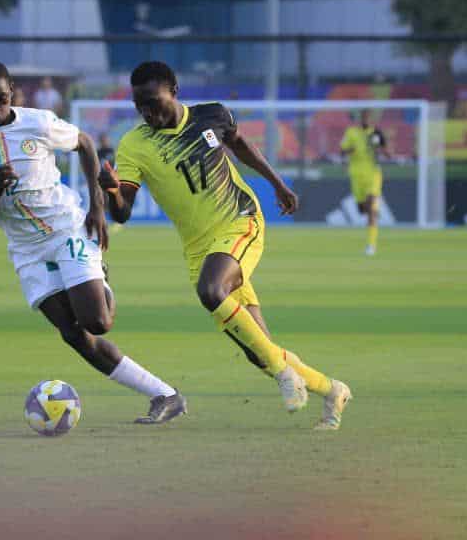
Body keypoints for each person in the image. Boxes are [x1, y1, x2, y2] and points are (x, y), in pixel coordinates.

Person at [100, 61, 352, 431]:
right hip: (199, 247)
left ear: (174, 91)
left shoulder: (212, 116)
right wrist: (110, 190)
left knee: (211, 289)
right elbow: (121, 213)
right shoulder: (135, 145)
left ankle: (285, 375)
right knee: (258, 349)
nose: (147, 113)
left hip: (240, 220)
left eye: (153, 102)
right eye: (140, 106)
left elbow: (242, 146)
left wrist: (278, 183)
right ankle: (332, 391)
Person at [0, 60, 186, 424]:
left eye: (1, 98)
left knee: (98, 323)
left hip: (66, 229)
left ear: (11, 91)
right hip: (26, 249)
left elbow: (85, 144)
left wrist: (96, 206)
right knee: (74, 335)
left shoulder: (39, 122)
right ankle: (165, 395)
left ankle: (98, 275)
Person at [341, 109, 389, 256]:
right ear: (360, 118)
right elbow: (342, 151)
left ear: (371, 119)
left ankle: (371, 245)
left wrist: (378, 149)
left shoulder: (377, 134)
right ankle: (371, 210)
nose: (365, 120)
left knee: (371, 207)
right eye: (363, 117)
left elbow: (388, 154)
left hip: (373, 175)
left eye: (368, 118)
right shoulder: (351, 133)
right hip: (356, 175)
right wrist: (351, 150)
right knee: (362, 209)